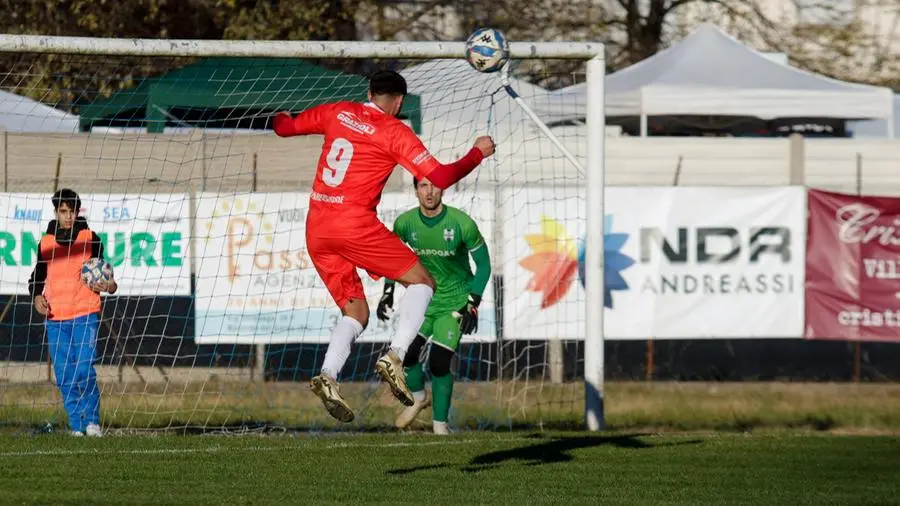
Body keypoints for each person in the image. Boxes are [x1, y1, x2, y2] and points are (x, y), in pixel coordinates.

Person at [272, 70, 494, 423]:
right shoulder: (395, 131)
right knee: (422, 282)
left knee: (355, 313)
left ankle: (328, 375)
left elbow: (285, 127)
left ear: (369, 92)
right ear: (400, 101)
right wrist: (477, 153)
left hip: (317, 226)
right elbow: (441, 177)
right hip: (353, 223)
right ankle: (396, 354)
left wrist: (275, 116)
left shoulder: (338, 111)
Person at [376, 177, 491, 435]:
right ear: (416, 189)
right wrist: (387, 292)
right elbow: (391, 257)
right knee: (404, 355)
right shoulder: (405, 223)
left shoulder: (462, 224)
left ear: (443, 188)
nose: (430, 192)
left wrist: (473, 303)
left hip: (455, 301)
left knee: (439, 363)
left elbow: (484, 265)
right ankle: (419, 397)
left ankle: (440, 426)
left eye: (435, 185)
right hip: (424, 299)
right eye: (423, 186)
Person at [28, 189, 117, 436]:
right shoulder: (46, 242)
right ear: (56, 212)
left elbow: (105, 275)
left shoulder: (91, 238)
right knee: (65, 375)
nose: (67, 216)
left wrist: (110, 286)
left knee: (84, 370)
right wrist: (36, 297)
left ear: (78, 212)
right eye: (63, 211)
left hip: (84, 314)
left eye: (71, 211)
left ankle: (92, 422)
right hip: (56, 319)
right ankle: (77, 426)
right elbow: (37, 277)